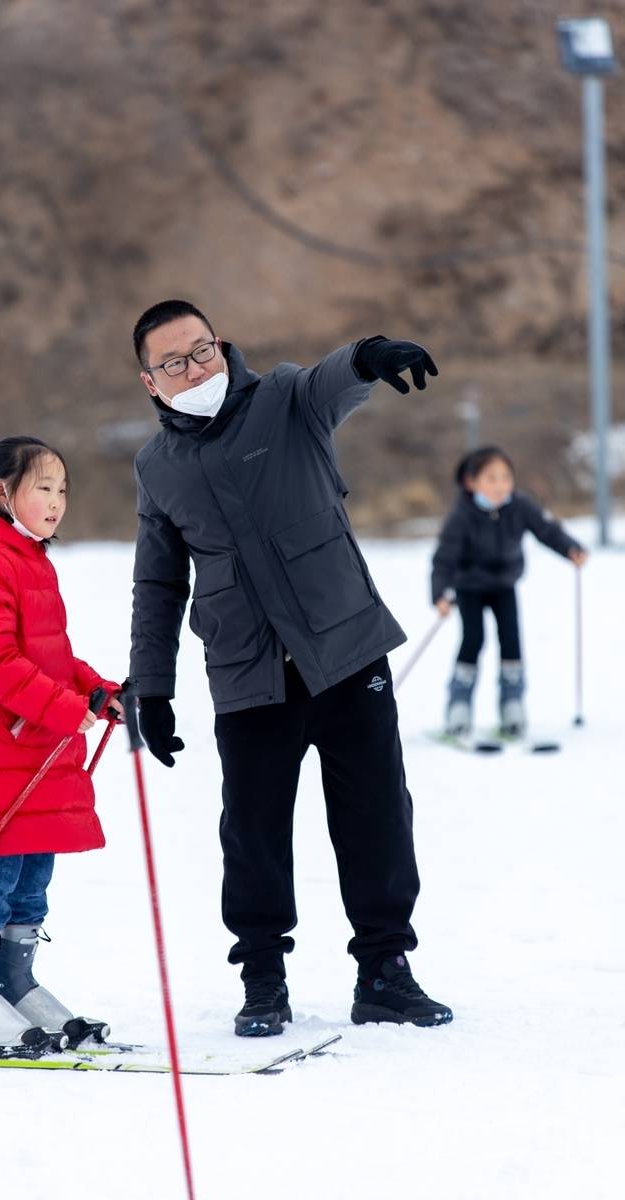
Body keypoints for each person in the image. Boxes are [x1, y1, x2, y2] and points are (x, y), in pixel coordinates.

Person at [128, 298, 453, 1037]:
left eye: (202, 349)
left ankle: (384, 972)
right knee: (253, 831)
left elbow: (333, 379)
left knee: (375, 816)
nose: (195, 367)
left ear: (223, 344)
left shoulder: (283, 399)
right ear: (151, 383)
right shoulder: (158, 467)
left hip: (344, 650)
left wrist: (371, 353)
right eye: (174, 362)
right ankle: (263, 980)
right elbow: (157, 584)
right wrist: (154, 686)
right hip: (248, 673)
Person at [0, 436, 122, 1050]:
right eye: (44, 487)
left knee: (30, 871)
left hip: (33, 746)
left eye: (63, 489)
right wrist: (62, 708)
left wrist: (93, 691)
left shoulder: (28, 556)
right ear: (4, 491)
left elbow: (48, 655)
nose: (58, 501)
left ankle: (9, 982)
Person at [432, 445, 588, 738]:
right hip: (470, 588)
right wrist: (440, 593)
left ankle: (512, 705)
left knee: (512, 641)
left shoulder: (519, 506)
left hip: (504, 585)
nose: (500, 485)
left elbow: (546, 529)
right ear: (471, 482)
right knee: (473, 640)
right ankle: (459, 708)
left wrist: (571, 548)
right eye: (491, 478)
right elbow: (444, 559)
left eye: (505, 478)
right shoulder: (461, 516)